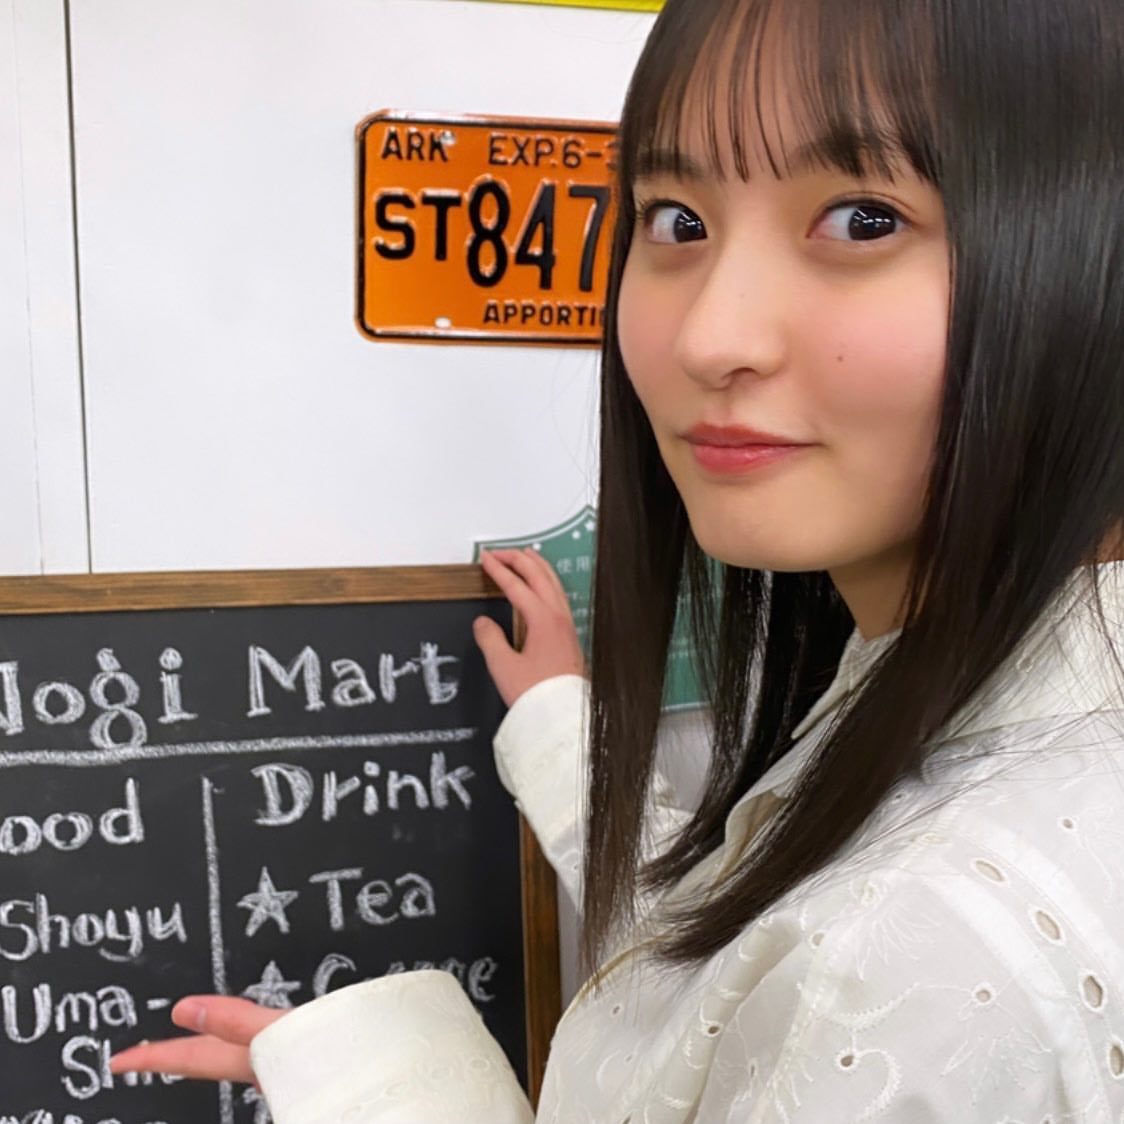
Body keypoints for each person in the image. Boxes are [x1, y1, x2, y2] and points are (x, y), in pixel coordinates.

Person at [111, 0, 1124, 1117]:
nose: (708, 337)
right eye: (676, 219)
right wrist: (559, 721)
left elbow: (833, 952)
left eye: (861, 218)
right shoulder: (951, 712)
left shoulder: (914, 961)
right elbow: (722, 945)